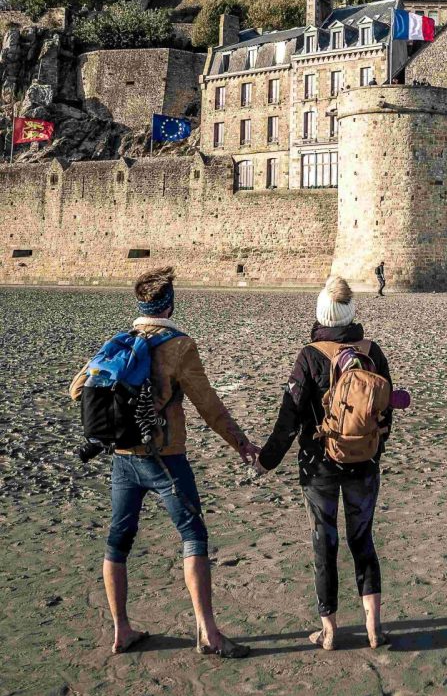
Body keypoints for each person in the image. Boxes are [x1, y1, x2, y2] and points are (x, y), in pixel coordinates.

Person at [69, 266, 259, 658]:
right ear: (169, 305)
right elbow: (208, 404)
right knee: (194, 536)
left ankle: (122, 630)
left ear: (140, 304)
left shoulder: (118, 342)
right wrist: (240, 443)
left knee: (118, 540)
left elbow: (76, 389)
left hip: (123, 458)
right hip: (166, 459)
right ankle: (208, 633)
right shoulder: (179, 346)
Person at [256, 275, 392, 651]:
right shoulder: (372, 352)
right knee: (362, 540)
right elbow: (387, 416)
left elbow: (289, 419)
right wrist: (369, 451)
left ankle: (329, 630)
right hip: (364, 463)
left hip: (319, 465)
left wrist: (266, 460)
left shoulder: (310, 356)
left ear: (321, 313)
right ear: (351, 313)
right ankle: (373, 627)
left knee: (324, 541)